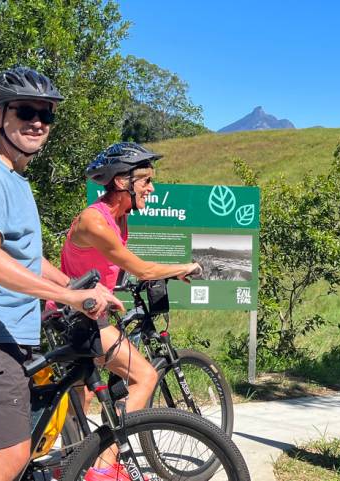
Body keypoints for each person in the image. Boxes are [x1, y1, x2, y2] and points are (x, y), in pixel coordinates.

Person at [0, 66, 123, 481]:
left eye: (47, 115)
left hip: (2, 334)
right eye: (26, 111)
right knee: (12, 454)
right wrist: (74, 299)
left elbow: (19, 256)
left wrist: (72, 287)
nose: (37, 122)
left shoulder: (12, 177)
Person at [56, 142, 200, 479]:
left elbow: (110, 268)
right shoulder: (96, 221)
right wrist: (186, 266)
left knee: (81, 397)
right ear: (122, 182)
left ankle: (70, 467)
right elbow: (142, 268)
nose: (151, 188)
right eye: (146, 180)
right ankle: (105, 469)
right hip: (81, 317)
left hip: (78, 313)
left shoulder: (119, 221)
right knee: (145, 376)